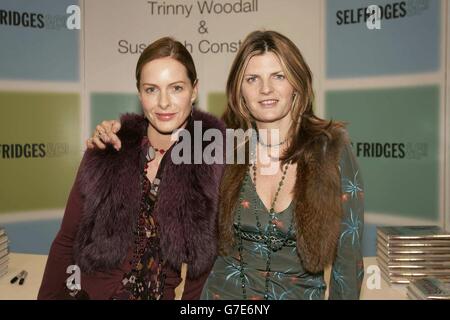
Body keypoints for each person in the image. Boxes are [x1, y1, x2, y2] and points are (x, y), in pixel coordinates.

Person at [90, 30, 365, 300]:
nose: (265, 89)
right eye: (252, 79)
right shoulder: (223, 146)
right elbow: (166, 132)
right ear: (240, 90)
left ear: (297, 83)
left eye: (278, 76)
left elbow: (348, 265)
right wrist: (121, 134)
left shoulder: (332, 150)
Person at [38, 37, 225, 300]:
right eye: (151, 89)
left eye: (176, 88)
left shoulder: (210, 159)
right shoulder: (109, 146)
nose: (163, 103)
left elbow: (203, 265)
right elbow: (67, 240)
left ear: (194, 90)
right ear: (139, 93)